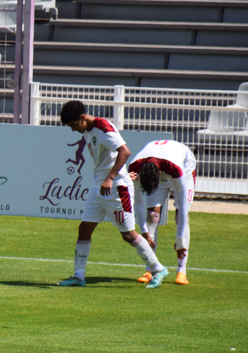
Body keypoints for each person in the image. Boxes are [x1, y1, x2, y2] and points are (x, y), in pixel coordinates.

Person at [55, 100, 168, 289]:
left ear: (82, 118)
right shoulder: (89, 130)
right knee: (84, 228)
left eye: (74, 125)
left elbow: (125, 151)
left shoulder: (104, 128)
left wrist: (111, 177)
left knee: (128, 235)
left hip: (116, 189)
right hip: (98, 187)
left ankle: (158, 269)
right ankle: (78, 276)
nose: (73, 130)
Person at [128, 139, 197, 286]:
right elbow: (138, 203)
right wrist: (144, 232)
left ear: (159, 174)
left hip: (184, 169)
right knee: (152, 215)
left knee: (180, 214)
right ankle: (150, 269)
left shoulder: (175, 169)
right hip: (160, 166)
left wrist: (180, 241)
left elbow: (183, 207)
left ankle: (182, 270)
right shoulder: (135, 168)